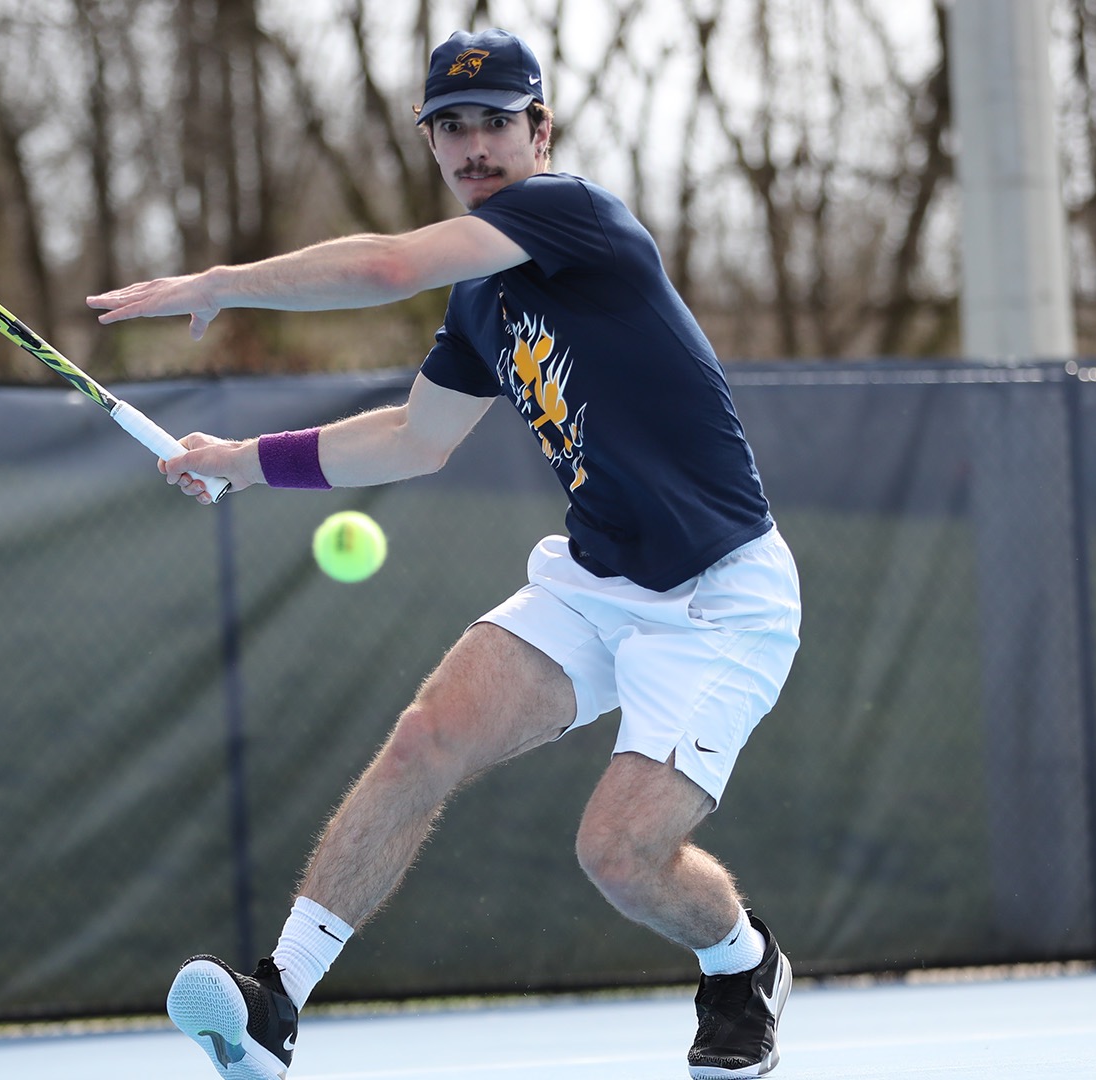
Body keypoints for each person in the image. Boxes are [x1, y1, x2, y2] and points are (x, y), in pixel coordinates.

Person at [87, 27, 802, 1080]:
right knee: (426, 739)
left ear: (538, 130)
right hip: (596, 579)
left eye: (495, 123)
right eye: (451, 128)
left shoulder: (577, 217)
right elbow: (413, 440)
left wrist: (222, 281)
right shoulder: (479, 306)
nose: (473, 145)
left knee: (617, 855)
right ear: (432, 141)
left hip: (719, 600)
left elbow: (384, 264)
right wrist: (238, 461)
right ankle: (275, 1001)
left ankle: (743, 965)